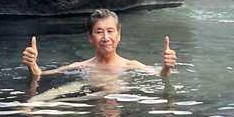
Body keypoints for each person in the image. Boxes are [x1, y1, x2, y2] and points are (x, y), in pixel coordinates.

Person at [21, 8, 177, 82]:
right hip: (89, 103)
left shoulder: (131, 66)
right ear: (90, 37)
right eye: (99, 32)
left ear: (118, 35)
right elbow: (40, 75)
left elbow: (160, 76)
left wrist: (167, 67)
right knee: (43, 100)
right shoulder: (81, 66)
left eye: (110, 31)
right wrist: (32, 64)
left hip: (119, 105)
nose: (106, 37)